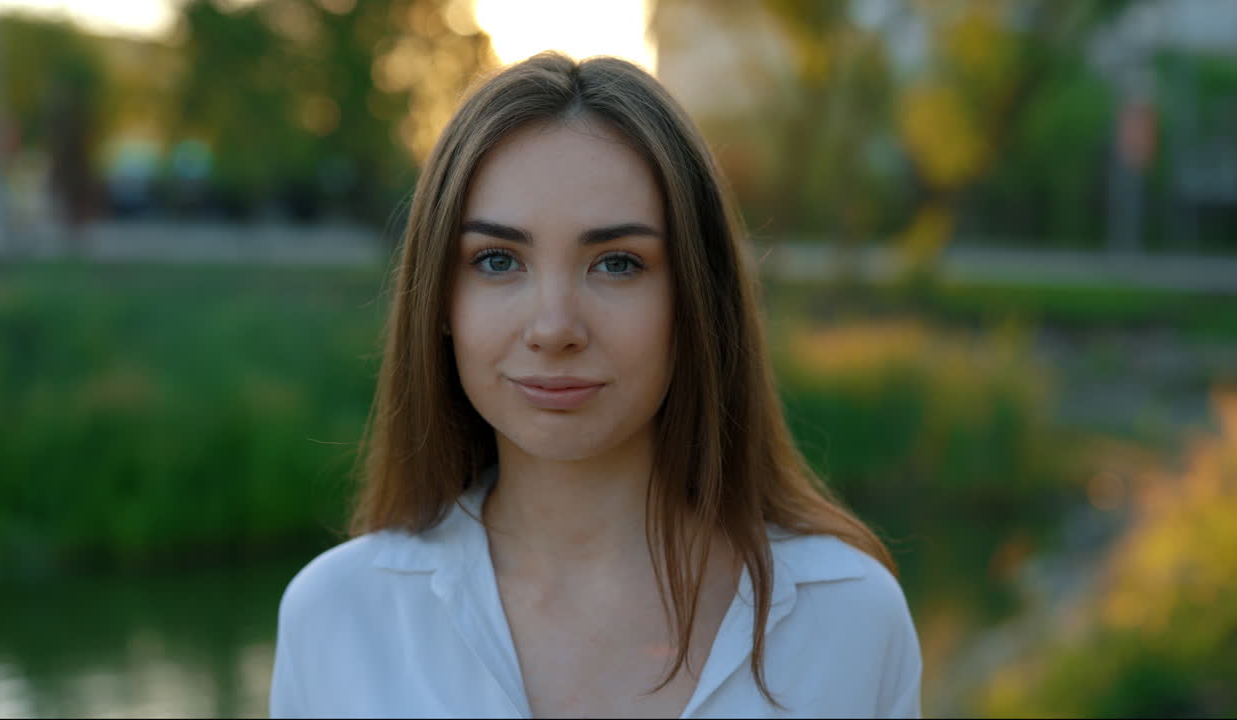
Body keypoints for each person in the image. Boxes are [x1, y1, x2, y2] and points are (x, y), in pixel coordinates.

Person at [269, 52, 921, 718]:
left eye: (617, 263)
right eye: (497, 260)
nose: (554, 327)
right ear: (439, 299)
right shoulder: (338, 619)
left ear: (698, 298)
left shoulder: (848, 618)